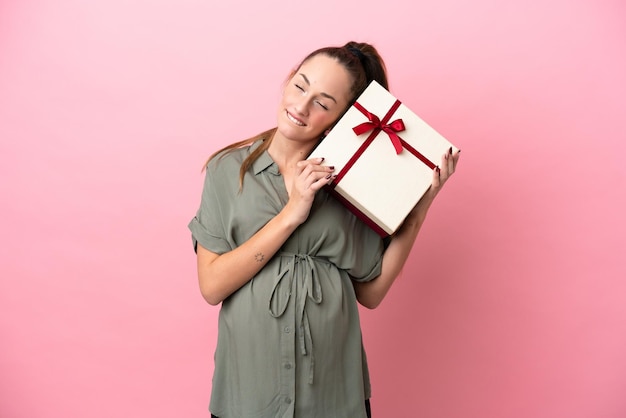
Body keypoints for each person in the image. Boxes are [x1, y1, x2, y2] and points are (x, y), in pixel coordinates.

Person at [188, 41, 460, 418]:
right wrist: (292, 213)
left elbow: (372, 293)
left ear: (340, 118)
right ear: (288, 82)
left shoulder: (354, 187)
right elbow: (212, 286)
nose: (301, 106)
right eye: (300, 86)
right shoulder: (227, 170)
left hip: (335, 396)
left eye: (323, 102)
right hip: (246, 393)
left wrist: (417, 212)